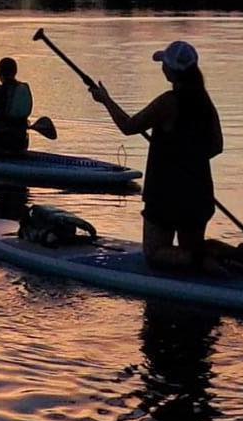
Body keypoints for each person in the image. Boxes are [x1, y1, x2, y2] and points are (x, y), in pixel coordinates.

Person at [89, 40, 224, 271]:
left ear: (172, 71)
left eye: (164, 64)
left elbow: (129, 126)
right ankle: (232, 257)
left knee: (153, 254)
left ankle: (204, 262)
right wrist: (187, 156)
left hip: (166, 194)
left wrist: (106, 100)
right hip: (199, 192)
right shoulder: (204, 102)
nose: (162, 67)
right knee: (191, 247)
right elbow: (216, 147)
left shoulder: (168, 102)